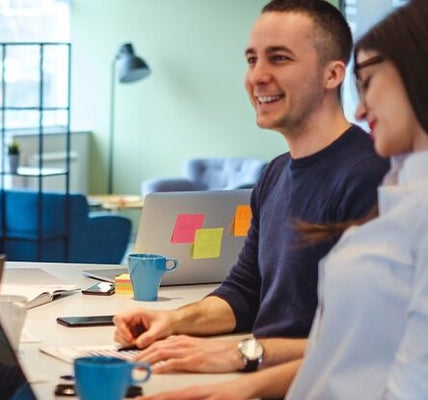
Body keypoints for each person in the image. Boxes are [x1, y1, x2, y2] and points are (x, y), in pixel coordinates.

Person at [142, 1, 428, 398]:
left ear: (332, 74)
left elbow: (367, 348)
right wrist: (172, 322)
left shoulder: (371, 175)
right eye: (251, 59)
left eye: (278, 59)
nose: (257, 76)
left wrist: (242, 355)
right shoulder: (275, 173)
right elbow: (245, 289)